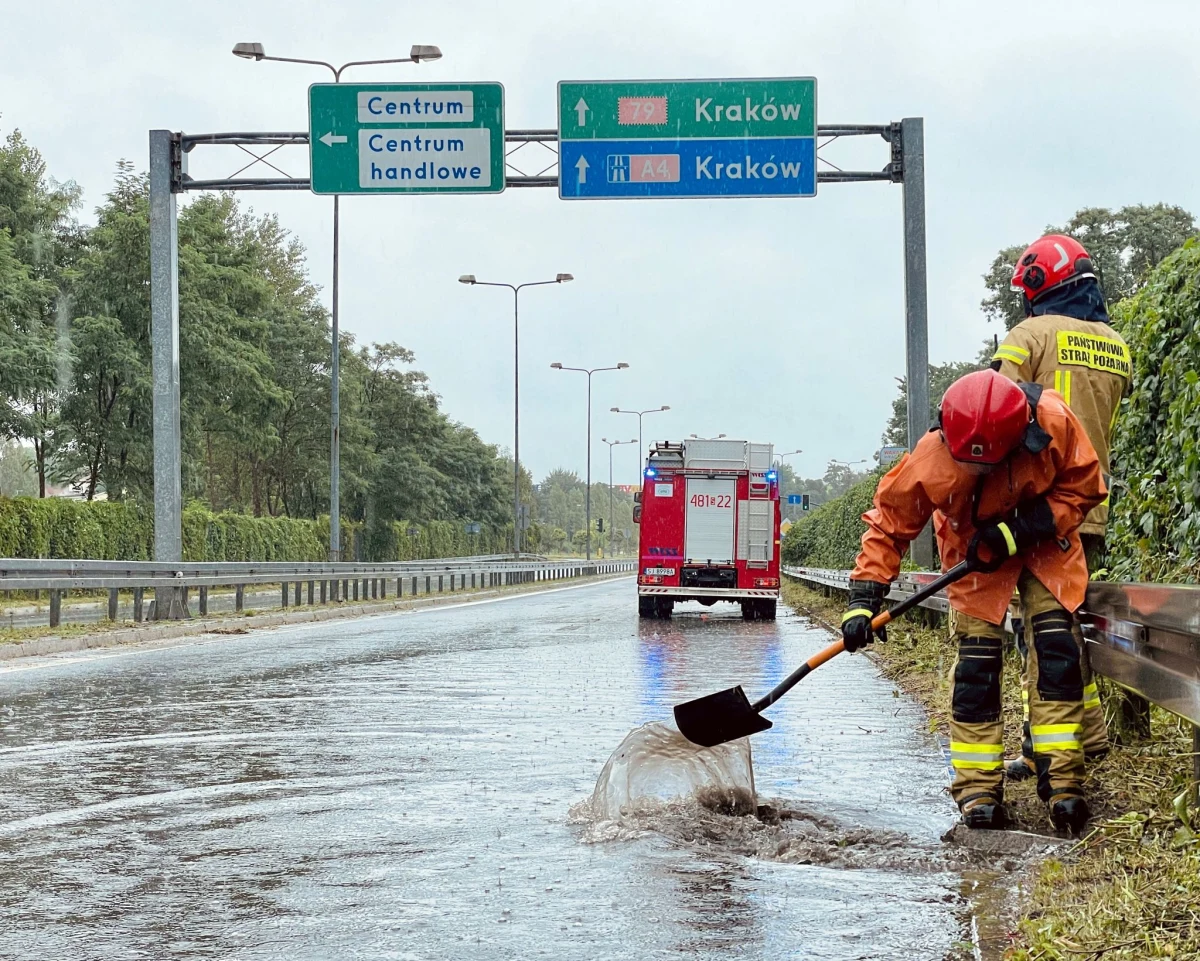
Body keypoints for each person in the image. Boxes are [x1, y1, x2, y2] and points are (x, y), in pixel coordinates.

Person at [841, 369, 1105, 834]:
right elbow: (889, 523)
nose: (978, 472)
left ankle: (1064, 784)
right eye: (970, 465)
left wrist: (1022, 529)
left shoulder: (1053, 421)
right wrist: (864, 598)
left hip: (1044, 543)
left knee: (1056, 654)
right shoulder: (931, 456)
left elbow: (1084, 487)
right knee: (976, 671)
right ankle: (979, 792)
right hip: (974, 554)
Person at [994, 234, 1132, 777]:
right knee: (1066, 621)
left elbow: (995, 411)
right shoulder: (1116, 345)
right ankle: (1087, 732)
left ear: (1039, 283)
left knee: (1042, 631)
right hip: (1090, 506)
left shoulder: (1028, 336)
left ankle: (1049, 749)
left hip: (1037, 508)